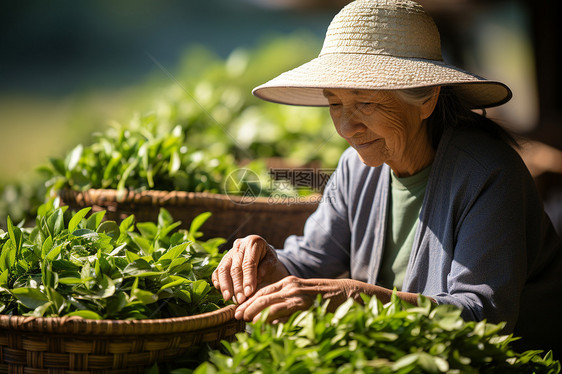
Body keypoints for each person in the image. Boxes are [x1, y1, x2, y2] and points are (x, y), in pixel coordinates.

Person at [212, 0, 562, 355]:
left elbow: (482, 319)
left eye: (365, 103)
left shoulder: (487, 173)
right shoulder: (355, 167)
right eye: (335, 104)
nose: (347, 127)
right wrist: (266, 261)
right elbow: (311, 261)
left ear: (426, 100)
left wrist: (357, 296)